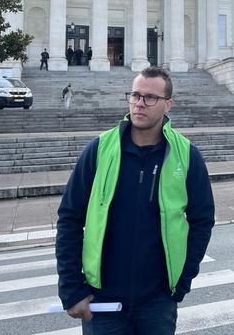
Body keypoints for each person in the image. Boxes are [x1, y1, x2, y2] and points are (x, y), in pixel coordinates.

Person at [56, 66, 215, 334]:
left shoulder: (186, 155)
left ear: (168, 105)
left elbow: (202, 221)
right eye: (135, 95)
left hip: (158, 302)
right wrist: (72, 288)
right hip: (103, 299)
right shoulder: (99, 150)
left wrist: (183, 279)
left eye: (150, 97)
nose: (140, 103)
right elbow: (70, 218)